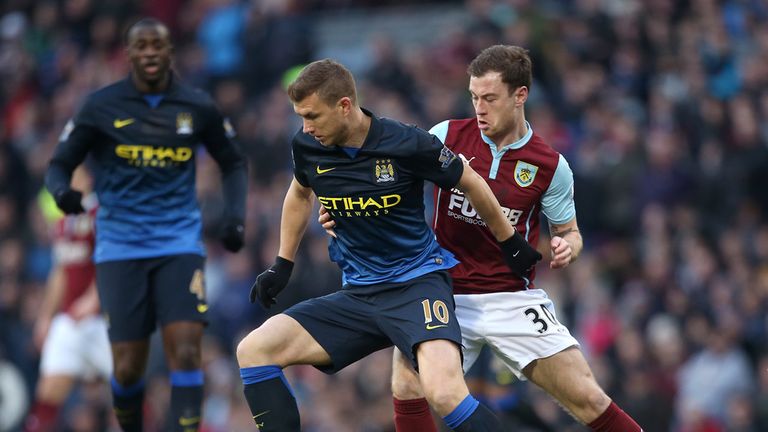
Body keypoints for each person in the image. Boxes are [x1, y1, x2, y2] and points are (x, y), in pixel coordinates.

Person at [320, 45, 644, 431]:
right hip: (441, 291)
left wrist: (566, 246)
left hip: (510, 296)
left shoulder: (550, 166)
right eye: (474, 97)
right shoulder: (446, 135)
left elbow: (570, 232)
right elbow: (389, 183)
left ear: (520, 95)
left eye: (490, 98)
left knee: (589, 398)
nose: (479, 108)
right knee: (408, 384)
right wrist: (350, 210)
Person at [236, 58, 542, 432]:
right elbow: (300, 193)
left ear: (344, 105)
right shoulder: (308, 146)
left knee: (444, 393)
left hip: (417, 287)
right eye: (301, 117)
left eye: (313, 115)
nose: (306, 127)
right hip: (359, 296)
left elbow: (471, 181)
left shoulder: (407, 142)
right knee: (253, 350)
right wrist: (282, 264)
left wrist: (509, 242)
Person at [44, 18, 247, 432]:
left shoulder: (197, 106)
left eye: (159, 45)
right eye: (142, 46)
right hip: (120, 248)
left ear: (170, 52)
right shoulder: (100, 106)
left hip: (179, 244)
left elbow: (233, 161)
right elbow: (59, 163)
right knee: (128, 366)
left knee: (187, 347)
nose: (151, 53)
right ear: (130, 53)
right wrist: (63, 192)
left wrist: (234, 215)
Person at [25, 167, 112, 432]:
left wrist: (94, 299)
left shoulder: (102, 214)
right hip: (70, 319)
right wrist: (45, 318)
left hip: (104, 320)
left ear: (87, 178)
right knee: (49, 389)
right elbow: (60, 273)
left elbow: (114, 263)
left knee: (129, 388)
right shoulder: (62, 222)